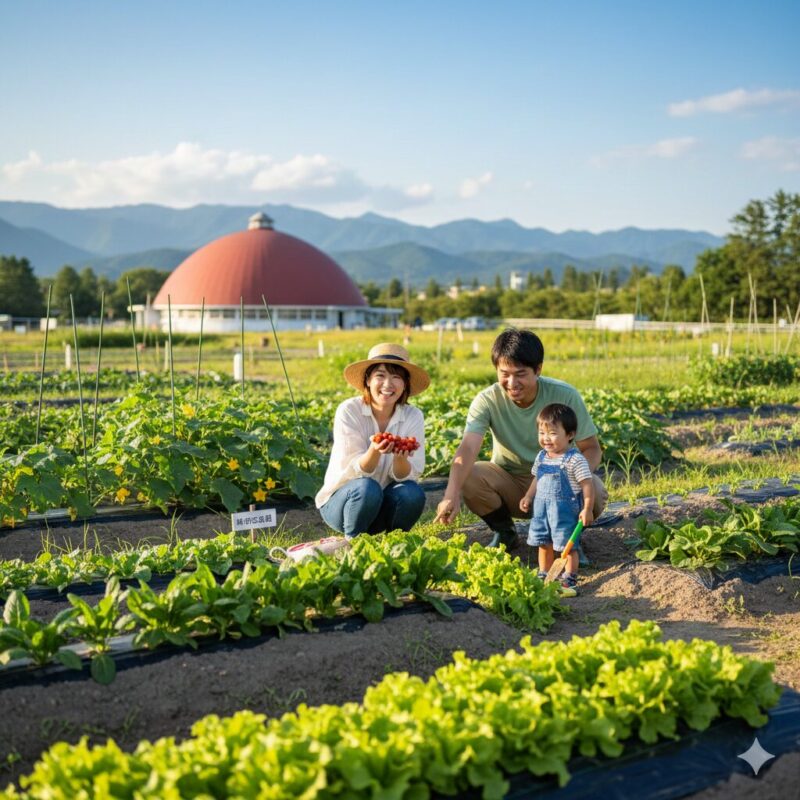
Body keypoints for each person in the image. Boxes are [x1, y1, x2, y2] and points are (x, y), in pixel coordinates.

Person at [434, 328, 607, 547]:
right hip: (511, 481)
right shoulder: (488, 400)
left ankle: (568, 538)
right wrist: (451, 494)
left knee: (595, 491)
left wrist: (567, 479)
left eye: (520, 374)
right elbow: (468, 448)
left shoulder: (564, 395)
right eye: (504, 373)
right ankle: (505, 532)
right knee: (469, 475)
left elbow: (591, 448)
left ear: (538, 369)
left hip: (559, 479)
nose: (512, 382)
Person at [316, 343, 430, 538]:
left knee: (412, 493)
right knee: (368, 487)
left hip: (381, 506)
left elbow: (407, 476)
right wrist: (374, 450)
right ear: (368, 380)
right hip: (343, 503)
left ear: (405, 384)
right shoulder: (349, 410)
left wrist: (400, 457)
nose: (388, 384)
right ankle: (354, 544)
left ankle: (396, 543)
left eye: (396, 377)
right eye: (380, 375)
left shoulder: (413, 416)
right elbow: (357, 470)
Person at [520, 403, 595, 595]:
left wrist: (587, 508)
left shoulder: (575, 459)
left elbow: (587, 485)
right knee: (543, 542)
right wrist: (528, 496)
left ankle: (569, 577)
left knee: (567, 546)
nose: (546, 438)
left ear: (570, 434)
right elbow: (537, 478)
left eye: (552, 433)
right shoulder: (541, 457)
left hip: (564, 512)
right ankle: (544, 573)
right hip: (541, 511)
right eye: (541, 433)